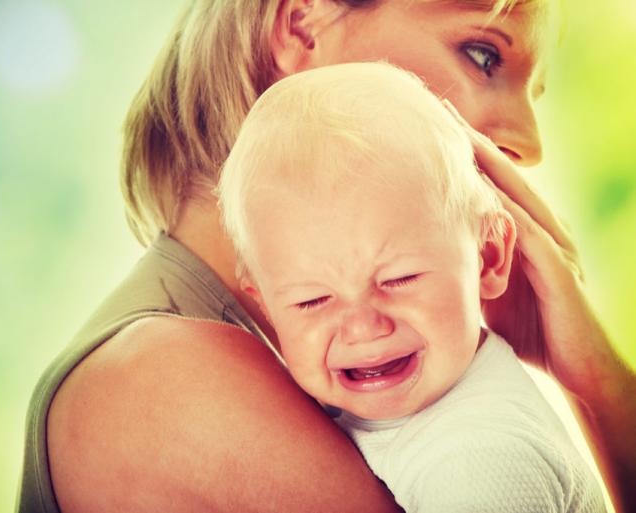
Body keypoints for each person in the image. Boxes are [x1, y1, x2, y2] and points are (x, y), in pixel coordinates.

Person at [16, 1, 636, 512]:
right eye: (482, 55)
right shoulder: (162, 381)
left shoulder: (342, 369)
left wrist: (585, 375)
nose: (527, 142)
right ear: (302, 23)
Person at [217, 60, 606, 512]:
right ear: (265, 307)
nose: (363, 328)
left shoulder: (478, 464)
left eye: (399, 279)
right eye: (312, 300)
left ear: (489, 257)